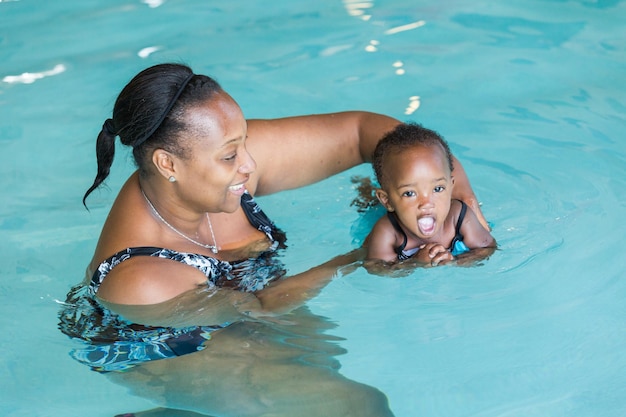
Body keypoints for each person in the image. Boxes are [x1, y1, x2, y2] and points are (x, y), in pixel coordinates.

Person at [59, 63, 487, 417]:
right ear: (168, 163)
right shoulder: (140, 277)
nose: (249, 165)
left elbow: (365, 132)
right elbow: (259, 309)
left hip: (249, 312)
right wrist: (361, 255)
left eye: (243, 143)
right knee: (360, 408)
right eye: (230, 155)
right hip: (176, 353)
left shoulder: (215, 167)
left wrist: (459, 197)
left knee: (331, 370)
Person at [364, 123, 496, 270]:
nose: (427, 203)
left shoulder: (459, 216)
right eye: (410, 193)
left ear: (451, 187)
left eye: (438, 189)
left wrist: (454, 260)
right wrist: (415, 263)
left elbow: (487, 248)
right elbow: (377, 269)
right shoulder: (388, 232)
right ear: (387, 200)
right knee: (367, 206)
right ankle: (364, 188)